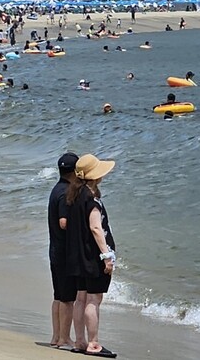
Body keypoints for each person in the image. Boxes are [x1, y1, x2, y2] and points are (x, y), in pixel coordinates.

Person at [65, 153, 118, 358]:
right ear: (94, 176)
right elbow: (96, 227)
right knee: (94, 300)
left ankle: (79, 341)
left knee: (81, 298)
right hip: (92, 257)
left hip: (78, 256)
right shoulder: (91, 199)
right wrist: (106, 255)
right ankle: (93, 343)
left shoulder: (74, 195)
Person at [47, 152, 79, 351]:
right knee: (67, 298)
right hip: (65, 252)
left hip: (54, 250)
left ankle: (56, 336)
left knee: (59, 296)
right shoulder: (66, 192)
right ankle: (64, 338)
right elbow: (63, 221)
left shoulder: (55, 189)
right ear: (75, 172)